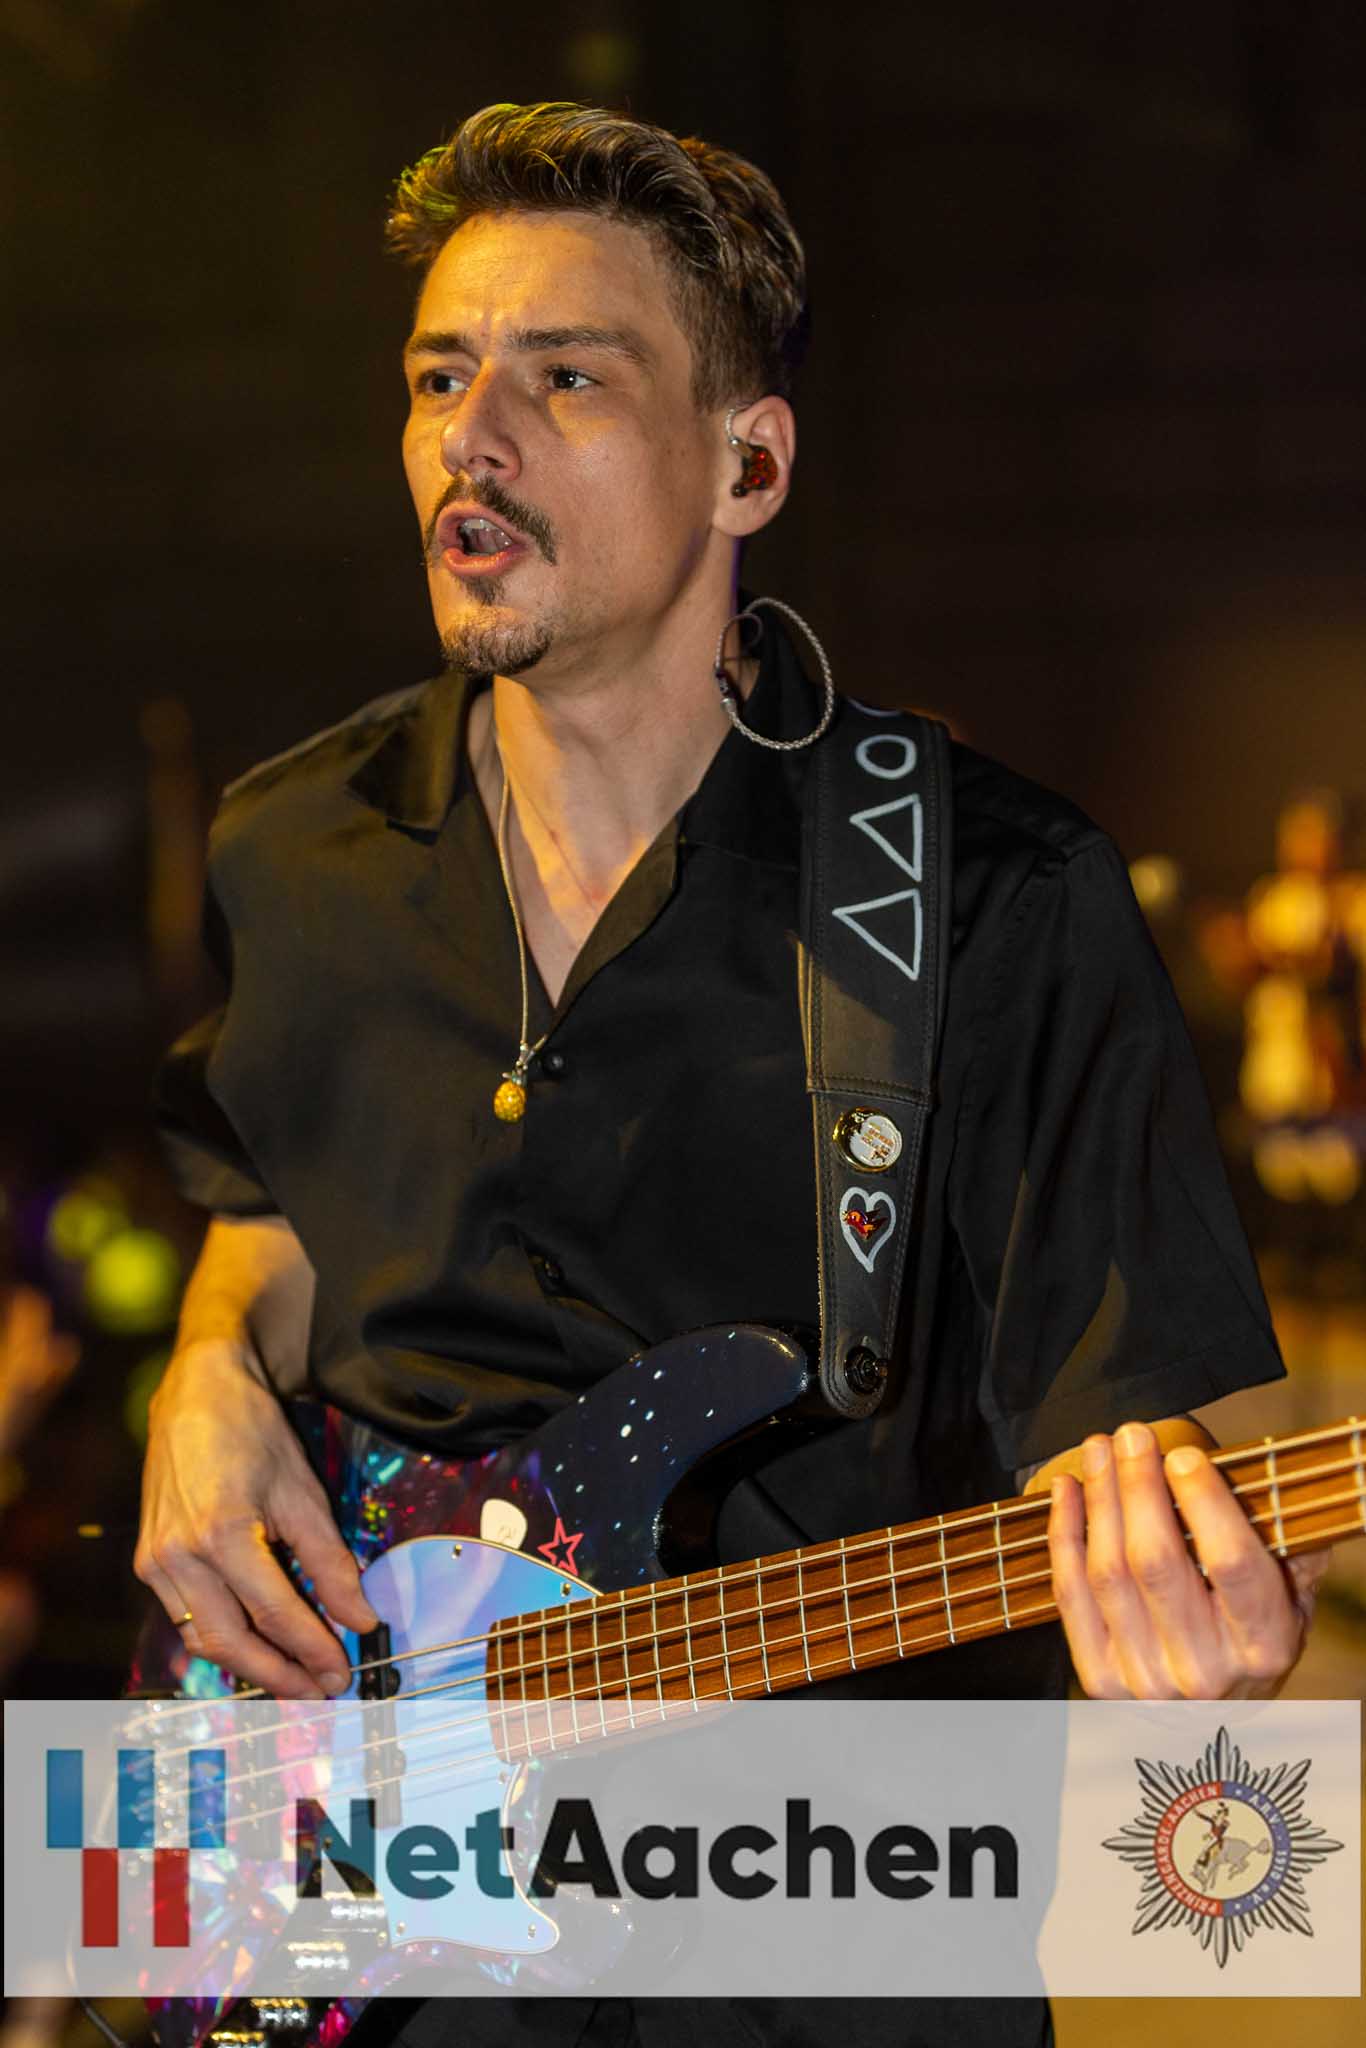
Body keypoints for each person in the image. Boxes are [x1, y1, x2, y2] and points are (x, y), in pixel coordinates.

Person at [138, 102, 1329, 2046]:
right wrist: (203, 1374)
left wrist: (1196, 1657)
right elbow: (264, 1195)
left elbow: (1117, 1446)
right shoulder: (298, 848)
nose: (469, 437)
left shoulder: (995, 898)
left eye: (564, 377)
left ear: (747, 463)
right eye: (437, 376)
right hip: (354, 1904)